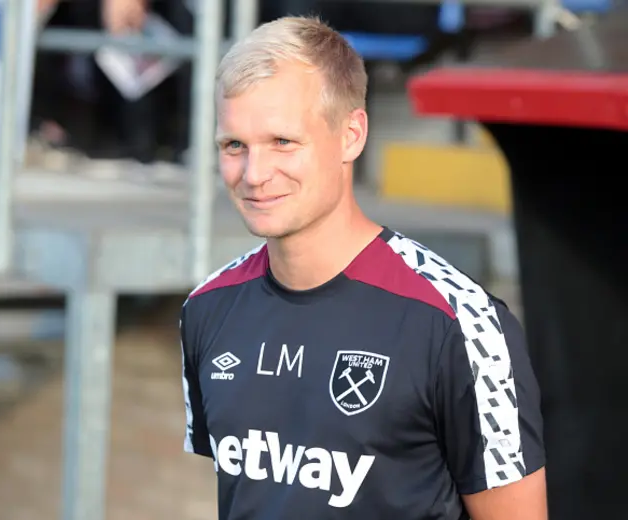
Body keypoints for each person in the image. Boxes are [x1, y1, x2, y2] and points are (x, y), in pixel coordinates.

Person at [180, 16, 547, 520]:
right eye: (234, 145)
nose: (255, 175)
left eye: (283, 142)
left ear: (351, 135)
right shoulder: (206, 310)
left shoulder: (460, 324)